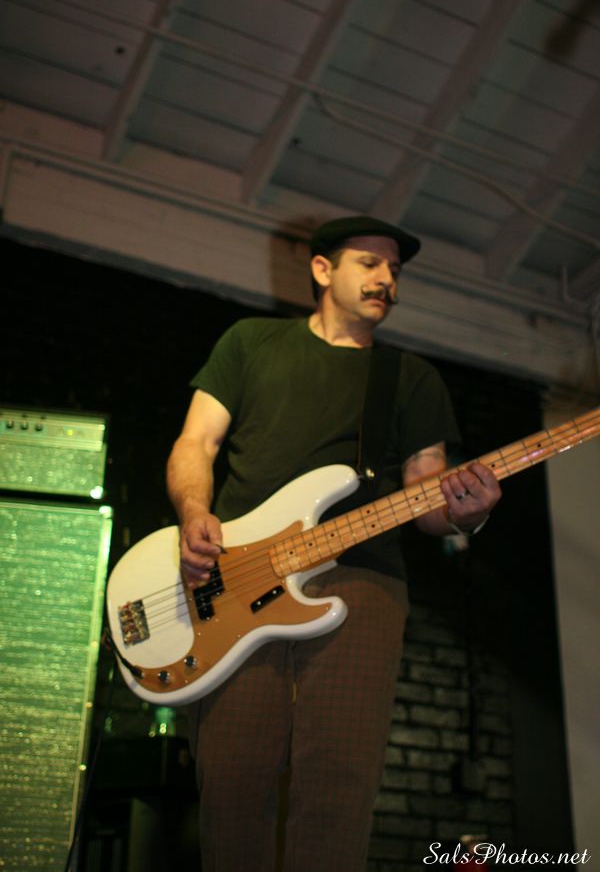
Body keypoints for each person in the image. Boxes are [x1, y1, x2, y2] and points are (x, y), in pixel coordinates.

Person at [166, 216, 501, 872]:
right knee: (232, 775)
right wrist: (194, 510)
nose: (386, 280)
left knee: (338, 779)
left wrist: (467, 515)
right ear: (322, 269)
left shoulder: (410, 377)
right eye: (369, 264)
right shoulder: (250, 342)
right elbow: (196, 442)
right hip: (239, 576)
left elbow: (426, 494)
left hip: (362, 576)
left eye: (394, 270)